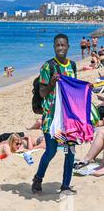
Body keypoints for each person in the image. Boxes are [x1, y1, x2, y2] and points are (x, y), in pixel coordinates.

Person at [32, 34, 78, 195]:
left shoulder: (72, 65)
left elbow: (73, 89)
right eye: (57, 45)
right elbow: (43, 93)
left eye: (63, 45)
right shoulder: (47, 66)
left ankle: (65, 186)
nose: (60, 48)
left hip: (68, 117)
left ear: (68, 47)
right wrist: (52, 83)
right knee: (51, 151)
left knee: (70, 151)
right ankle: (38, 178)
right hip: (51, 117)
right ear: (54, 47)